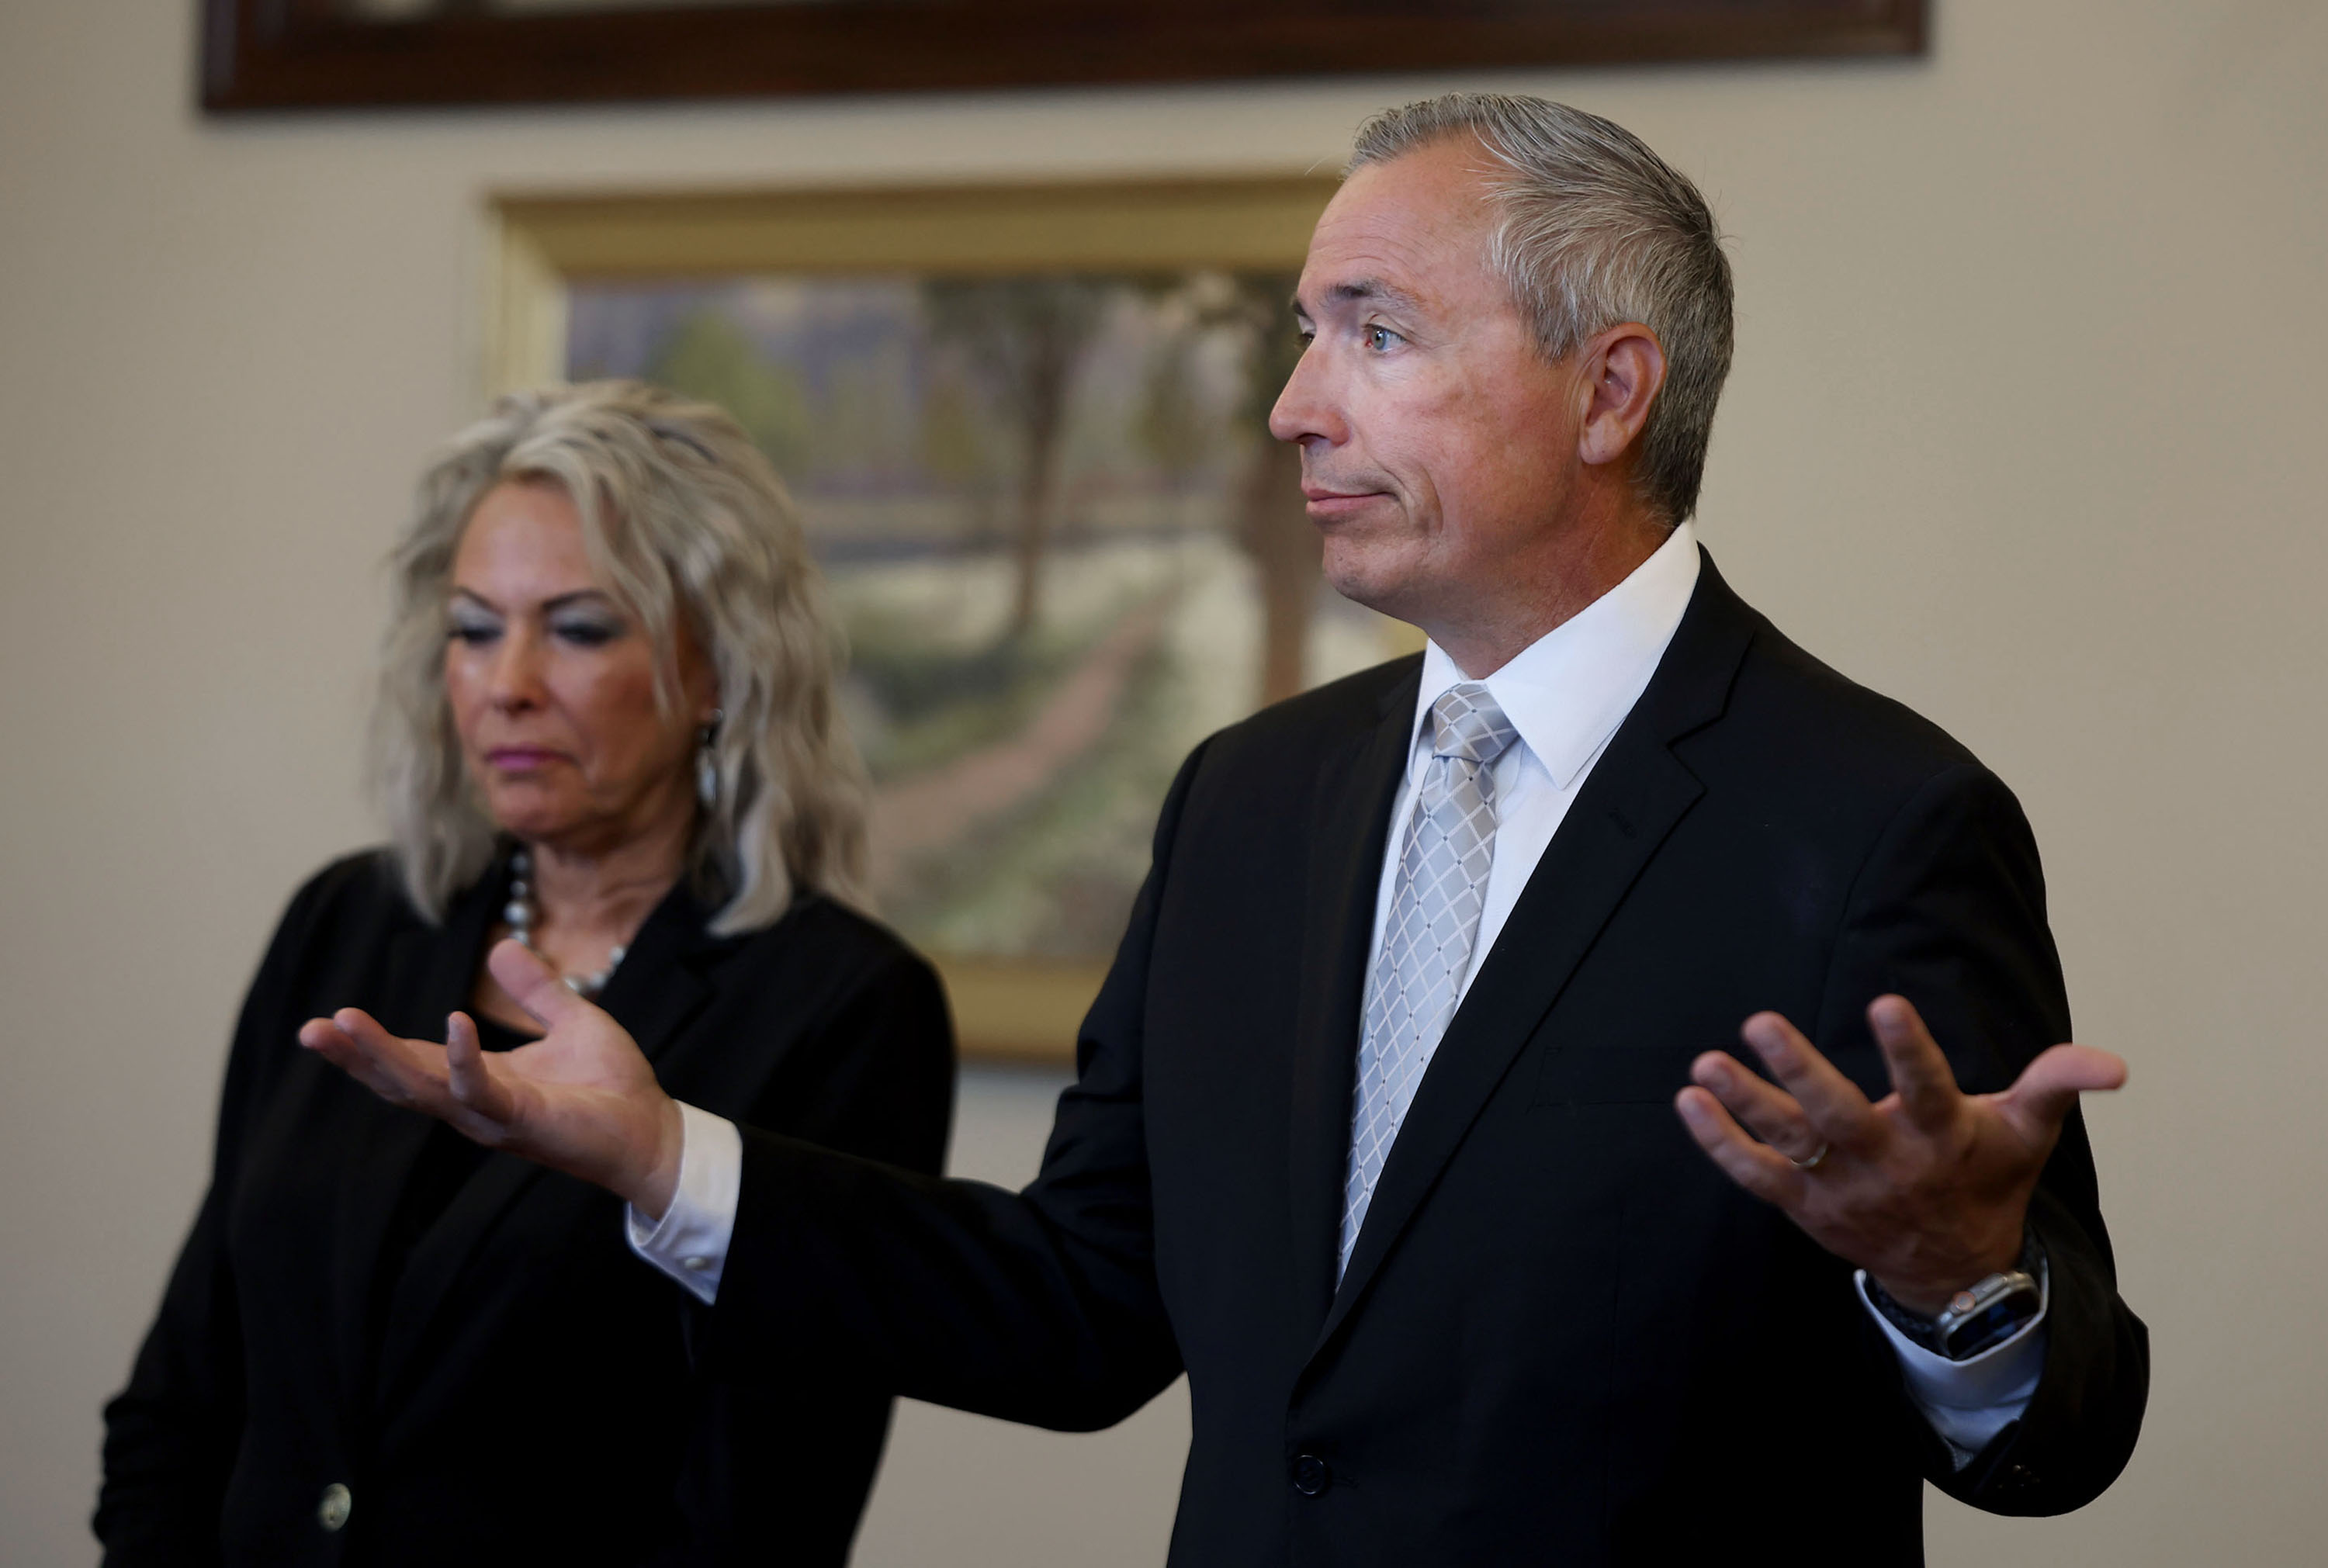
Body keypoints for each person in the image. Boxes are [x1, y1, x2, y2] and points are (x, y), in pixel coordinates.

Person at [303, 95, 2149, 1564]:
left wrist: (1949, 1275)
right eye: (1301, 332)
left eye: (1378, 332)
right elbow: (1084, 1309)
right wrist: (662, 1161)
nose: (1292, 405)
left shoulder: (1880, 820)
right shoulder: (1253, 800)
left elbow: (2061, 1444)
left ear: (1609, 391)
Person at [98, 382, 954, 1567]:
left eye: (581, 627)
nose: (507, 682)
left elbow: (764, 1507)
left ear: (717, 672)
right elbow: (188, 1380)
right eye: (474, 625)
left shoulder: (842, 1008)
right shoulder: (349, 921)